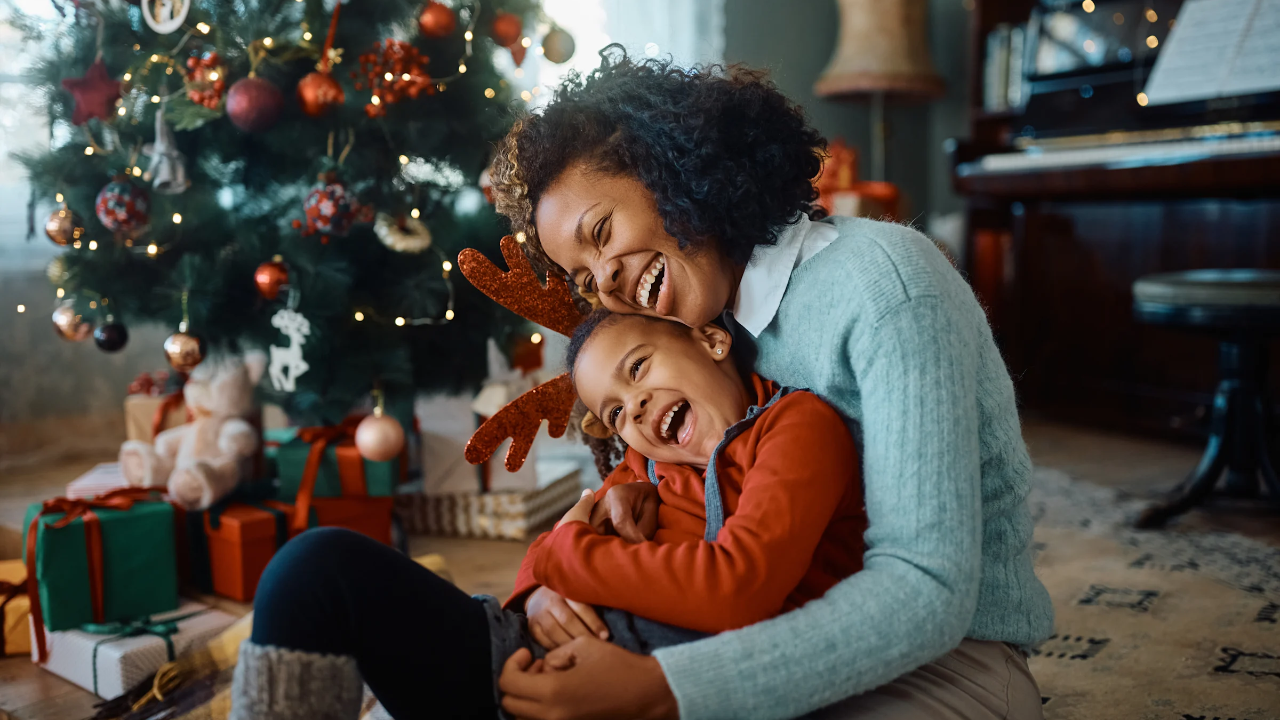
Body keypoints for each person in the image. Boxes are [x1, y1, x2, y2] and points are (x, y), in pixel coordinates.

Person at [488, 47, 1053, 720]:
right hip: (764, 631)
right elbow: (604, 504)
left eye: (602, 233)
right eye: (585, 278)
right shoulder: (694, 330)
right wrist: (539, 593)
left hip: (949, 658)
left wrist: (671, 689)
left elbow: (926, 590)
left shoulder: (887, 288)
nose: (604, 281)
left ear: (669, 169)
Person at [229, 308, 867, 720]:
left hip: (653, 688)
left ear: (712, 338)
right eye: (616, 413)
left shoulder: (795, 426)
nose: (636, 410)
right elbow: (543, 555)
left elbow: (739, 588)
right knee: (314, 566)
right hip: (516, 661)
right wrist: (537, 588)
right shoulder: (645, 464)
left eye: (639, 368)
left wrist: (568, 552)